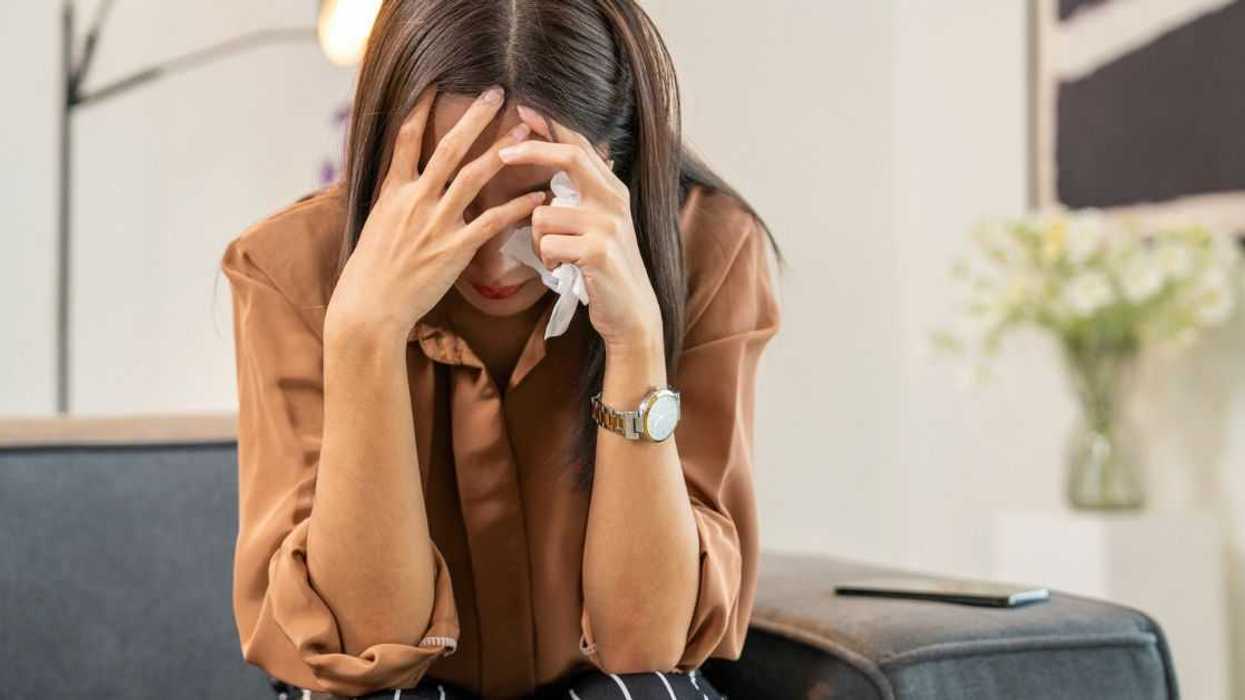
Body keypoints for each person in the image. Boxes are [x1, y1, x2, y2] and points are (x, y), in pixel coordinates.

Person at [219, 0, 784, 698]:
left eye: (533, 206)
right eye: (454, 205)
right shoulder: (289, 268)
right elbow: (365, 648)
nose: (494, 263)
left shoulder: (709, 250)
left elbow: (646, 643)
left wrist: (634, 341)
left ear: (612, 161)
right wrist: (366, 335)